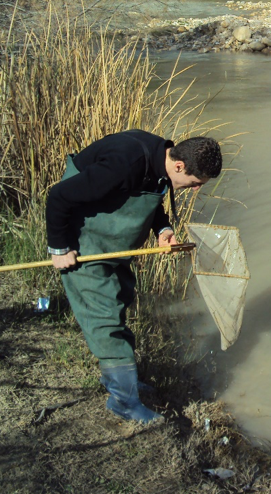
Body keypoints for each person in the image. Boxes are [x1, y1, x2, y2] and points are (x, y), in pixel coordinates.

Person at [45, 130, 222, 423]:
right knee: (104, 316)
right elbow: (59, 196)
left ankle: (121, 379)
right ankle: (124, 402)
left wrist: (163, 229)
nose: (194, 190)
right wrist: (59, 247)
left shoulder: (162, 158)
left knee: (121, 297)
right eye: (194, 183)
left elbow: (150, 197)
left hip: (109, 240)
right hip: (82, 238)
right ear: (180, 166)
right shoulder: (123, 165)